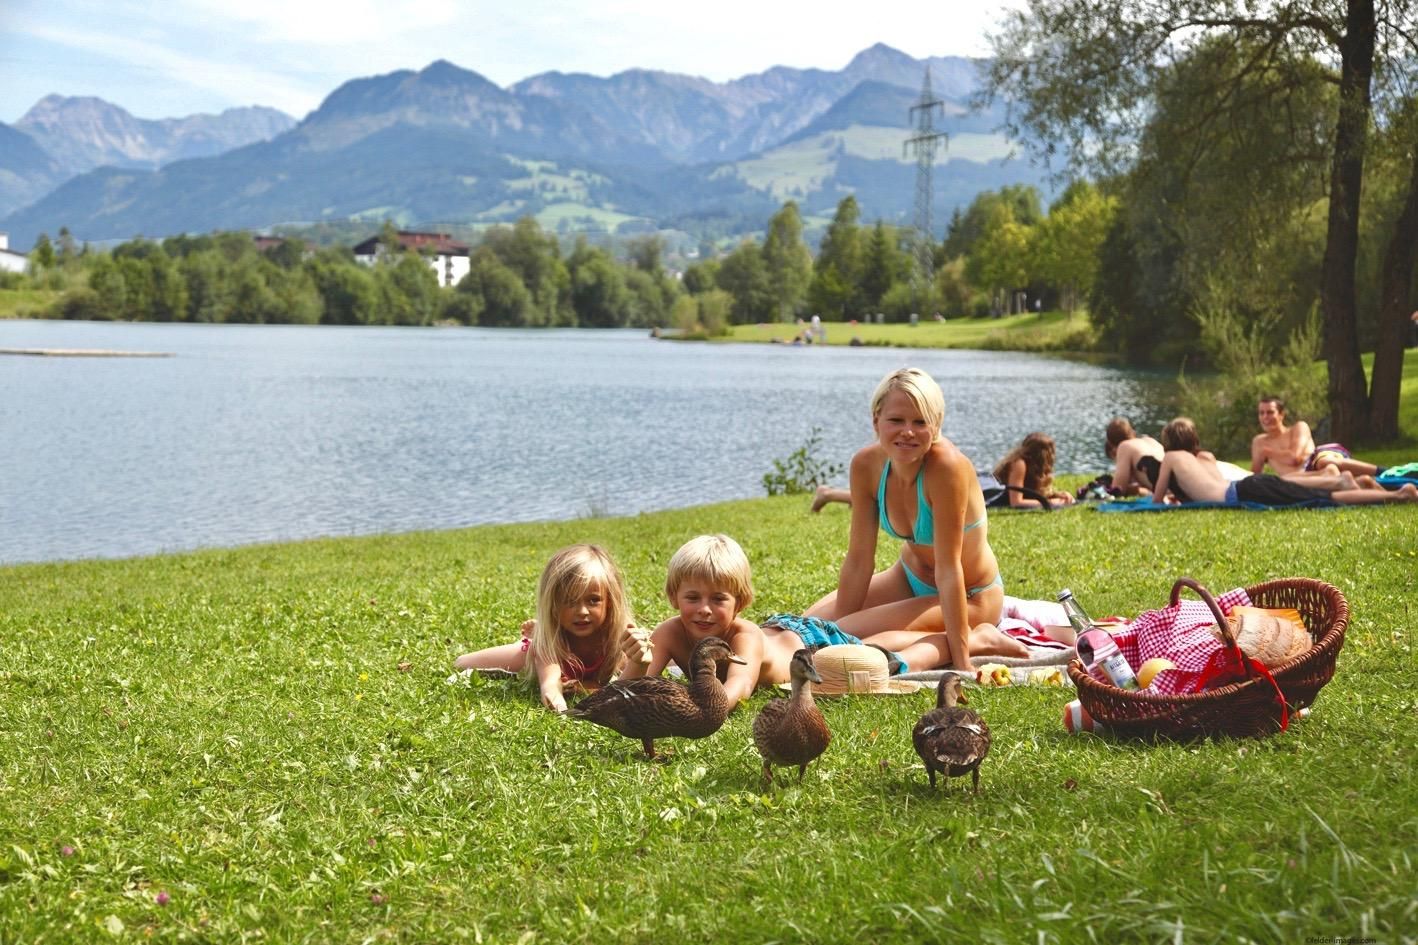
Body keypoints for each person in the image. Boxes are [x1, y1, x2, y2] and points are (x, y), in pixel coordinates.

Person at [803, 368, 1030, 673]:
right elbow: (859, 560)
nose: (907, 431)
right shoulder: (866, 465)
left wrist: (962, 664)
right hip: (907, 577)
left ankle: (980, 639)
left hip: (970, 594)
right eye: (896, 420)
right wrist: (833, 629)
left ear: (936, 426)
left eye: (920, 422)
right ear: (876, 420)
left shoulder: (947, 468)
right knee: (807, 630)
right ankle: (838, 635)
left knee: (859, 643)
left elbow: (950, 570)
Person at [454, 544, 635, 713]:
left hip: (555, 645)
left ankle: (540, 630)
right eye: (569, 602)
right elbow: (550, 685)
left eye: (593, 600)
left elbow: (640, 676)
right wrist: (561, 708)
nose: (582, 611)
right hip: (536, 651)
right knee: (463, 663)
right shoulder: (547, 646)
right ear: (552, 605)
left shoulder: (619, 638)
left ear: (610, 601)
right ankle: (538, 634)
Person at [616, 534, 764, 708]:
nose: (704, 609)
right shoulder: (670, 633)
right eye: (693, 598)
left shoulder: (745, 636)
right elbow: (621, 696)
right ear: (673, 597)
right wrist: (637, 662)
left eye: (718, 599)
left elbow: (741, 684)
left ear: (740, 602)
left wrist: (698, 711)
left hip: (796, 637)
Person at [1153, 448, 1416, 508]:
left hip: (1247, 492)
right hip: (1247, 485)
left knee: (1327, 499)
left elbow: (1156, 500)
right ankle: (1358, 483)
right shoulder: (1203, 458)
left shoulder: (1171, 458)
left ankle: (1398, 495)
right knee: (1301, 488)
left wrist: (1166, 499)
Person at [1251, 395, 1378, 479]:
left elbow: (1295, 458)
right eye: (1261, 413)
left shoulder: (1298, 428)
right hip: (1302, 478)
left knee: (1324, 462)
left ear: (1281, 414)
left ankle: (1382, 472)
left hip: (1318, 460)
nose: (1265, 417)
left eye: (1270, 412)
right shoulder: (1259, 441)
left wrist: (1267, 452)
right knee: (1288, 479)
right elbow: (1254, 476)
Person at [992, 432, 1075, 508]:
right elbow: (1016, 502)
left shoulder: (1034, 467)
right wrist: (1050, 502)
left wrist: (1058, 496)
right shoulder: (1019, 463)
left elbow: (1035, 494)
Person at [1104, 417, 1163, 496]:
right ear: (1133, 432)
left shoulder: (1124, 446)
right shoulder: (1150, 440)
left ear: (1112, 446)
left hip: (1166, 489)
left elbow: (1117, 489)